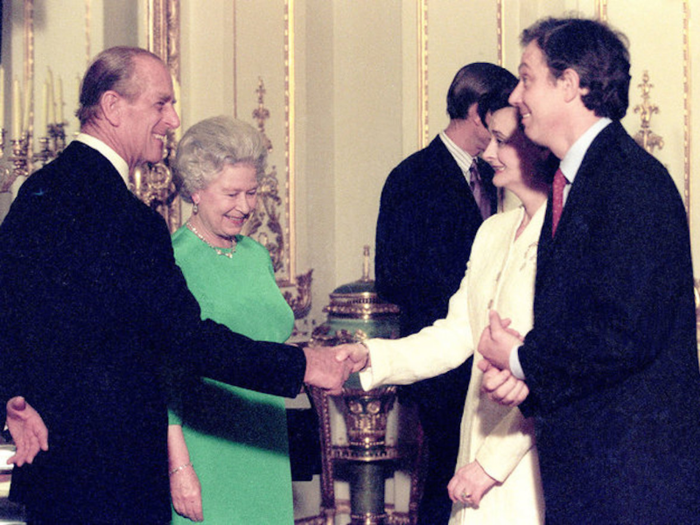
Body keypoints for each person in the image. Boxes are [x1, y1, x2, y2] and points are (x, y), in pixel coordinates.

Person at [0, 46, 349, 524]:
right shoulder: (131, 221)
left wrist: (13, 397)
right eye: (161, 104)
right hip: (118, 477)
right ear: (113, 107)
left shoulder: (35, 193)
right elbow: (185, 340)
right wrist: (301, 364)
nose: (173, 119)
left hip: (51, 469)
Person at [476, 17, 700, 524]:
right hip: (594, 476)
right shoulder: (581, 181)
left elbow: (622, 334)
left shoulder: (630, 183)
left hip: (632, 486)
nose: (516, 95)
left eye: (527, 78)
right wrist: (528, 377)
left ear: (571, 84)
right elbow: (582, 329)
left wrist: (520, 358)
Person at [336, 84, 554, 524]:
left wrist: (491, 464)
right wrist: (370, 357)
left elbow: (557, 372)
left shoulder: (566, 235)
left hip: (532, 460)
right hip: (476, 439)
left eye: (501, 141)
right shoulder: (493, 231)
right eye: (488, 137)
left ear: (538, 147)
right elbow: (455, 334)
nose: (488, 151)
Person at [373, 62, 517, 524]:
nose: (497, 144)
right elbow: (394, 276)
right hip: (444, 367)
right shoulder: (411, 176)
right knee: (445, 482)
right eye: (494, 126)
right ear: (478, 112)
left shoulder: (497, 183)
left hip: (492, 367)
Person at [166, 116, 296, 523]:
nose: (245, 206)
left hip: (267, 443)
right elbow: (162, 375)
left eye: (252, 192)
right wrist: (180, 467)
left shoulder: (256, 256)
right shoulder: (173, 260)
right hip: (207, 450)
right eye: (232, 193)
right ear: (196, 190)